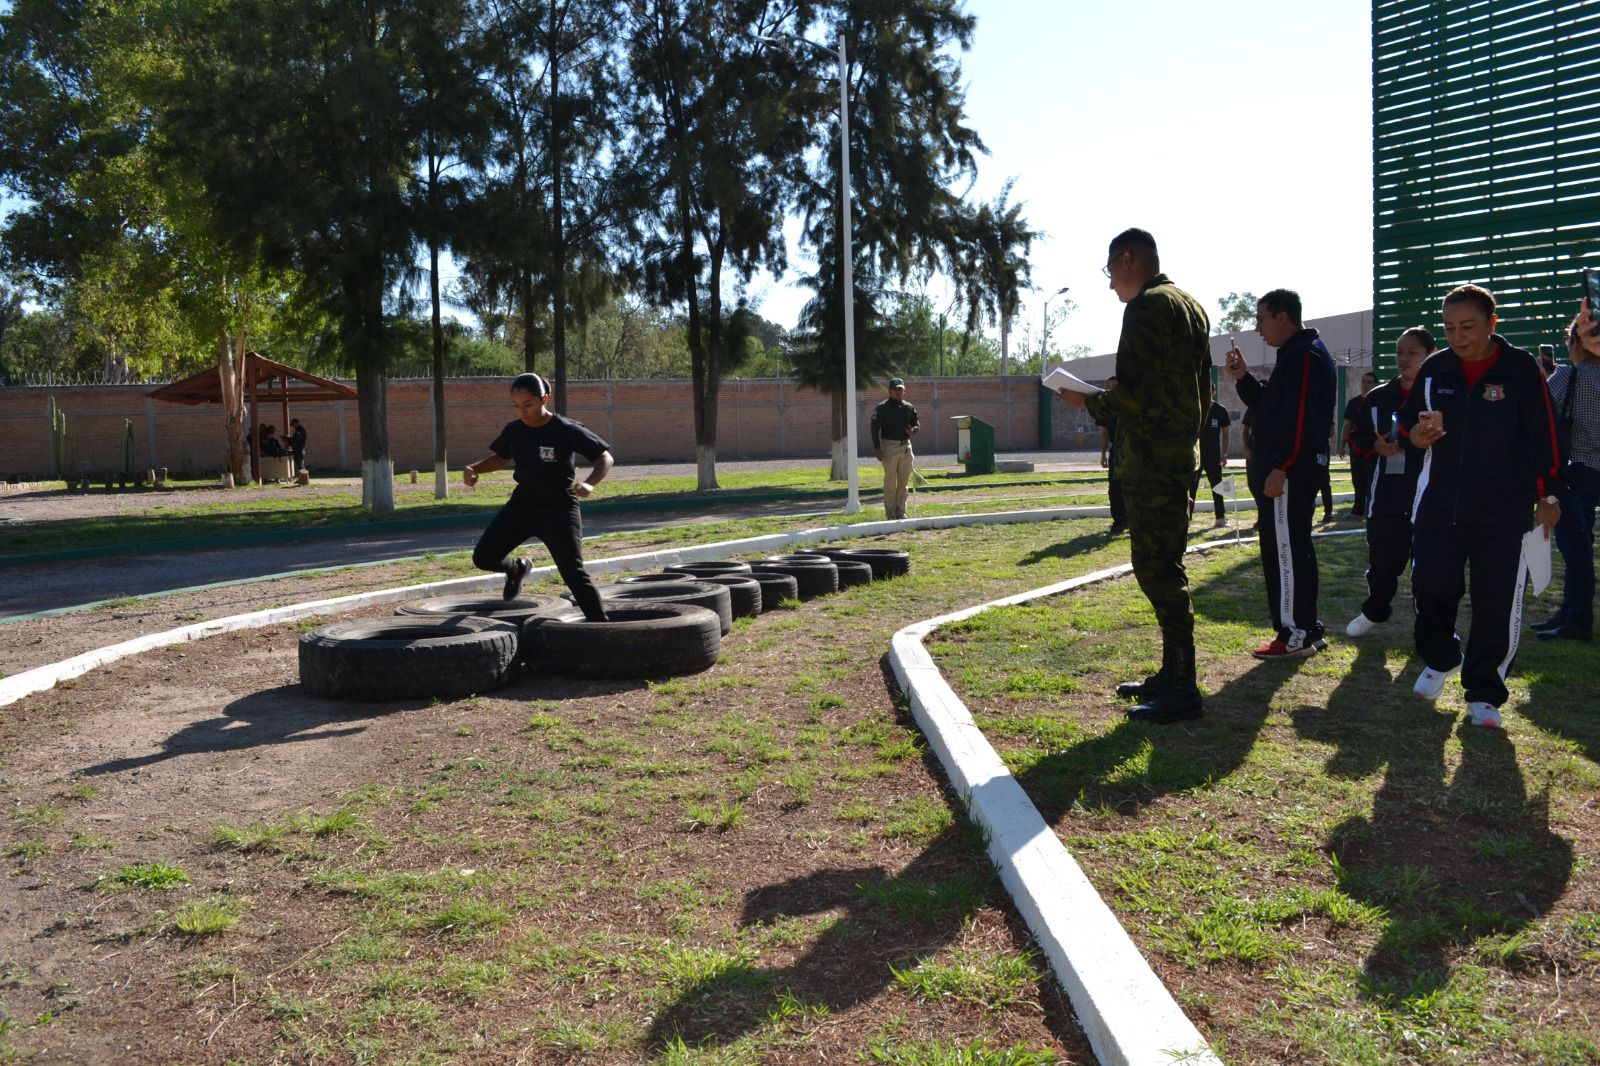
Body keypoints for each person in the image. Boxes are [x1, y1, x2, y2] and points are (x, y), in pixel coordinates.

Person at [1058, 228, 1210, 722]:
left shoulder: (1146, 307)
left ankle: (1182, 688)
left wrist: (1089, 402)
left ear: (1128, 260)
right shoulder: (1189, 304)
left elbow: (1137, 394)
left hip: (1151, 460)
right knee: (1162, 566)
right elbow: (1190, 390)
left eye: (1109, 273)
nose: (1110, 286)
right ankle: (1173, 675)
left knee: (1159, 571)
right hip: (1175, 456)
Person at [1398, 284, 1563, 729]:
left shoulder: (1520, 369)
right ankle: (1442, 657)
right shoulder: (1434, 368)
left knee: (1496, 603)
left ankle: (1485, 691)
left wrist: (1548, 494)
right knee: (1431, 587)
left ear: (1492, 324)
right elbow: (1406, 420)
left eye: (1468, 326)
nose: (1458, 336)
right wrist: (1413, 436)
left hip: (1503, 512)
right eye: (1450, 327)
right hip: (1439, 506)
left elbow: (1544, 436)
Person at [1224, 289, 1337, 659]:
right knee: (1292, 550)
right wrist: (1242, 378)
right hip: (1283, 472)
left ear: (1282, 317)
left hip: (1287, 475)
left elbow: (1301, 421)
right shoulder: (1294, 355)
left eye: (1261, 319)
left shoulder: (1305, 356)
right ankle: (1306, 627)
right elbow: (1270, 410)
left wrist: (1282, 467)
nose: (1258, 328)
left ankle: (1295, 633)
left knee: (1285, 553)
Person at [463, 372, 613, 619]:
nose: (523, 412)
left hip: (559, 507)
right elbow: (501, 457)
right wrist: (474, 468)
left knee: (573, 574)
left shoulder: (566, 429)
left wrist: (590, 484)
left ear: (545, 398)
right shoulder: (514, 430)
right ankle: (516, 569)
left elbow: (604, 458)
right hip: (523, 504)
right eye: (516, 406)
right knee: (484, 557)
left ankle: (603, 628)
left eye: (528, 405)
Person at [1346, 329, 1431, 637]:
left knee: (1430, 568)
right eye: (1399, 352)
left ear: (1429, 355)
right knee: (1383, 561)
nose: (1404, 359)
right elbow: (1358, 437)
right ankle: (1375, 610)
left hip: (1430, 495)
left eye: (1412, 353)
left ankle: (1428, 623)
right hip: (1386, 495)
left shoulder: (1438, 393)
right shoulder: (1377, 397)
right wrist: (1375, 446)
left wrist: (1409, 440)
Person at [1535, 307, 1600, 642]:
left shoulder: (1570, 376)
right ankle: (1569, 612)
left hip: (1572, 469)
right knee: (1582, 545)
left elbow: (1538, 411)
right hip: (1596, 470)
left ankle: (1577, 621)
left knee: (1575, 549)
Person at [871, 377, 920, 521]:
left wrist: (914, 430)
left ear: (904, 391)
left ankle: (901, 512)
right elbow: (874, 429)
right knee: (890, 483)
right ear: (890, 391)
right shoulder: (882, 408)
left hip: (906, 446)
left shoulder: (908, 407)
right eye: (896, 389)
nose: (898, 392)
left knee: (904, 484)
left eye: (901, 389)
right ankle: (890, 513)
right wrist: (877, 448)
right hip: (889, 446)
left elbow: (916, 424)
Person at [1191, 382, 1231, 526]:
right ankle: (1186, 519)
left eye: (1208, 391)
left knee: (1218, 487)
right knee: (1191, 488)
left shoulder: (1220, 410)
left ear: (1213, 392)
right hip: (1195, 456)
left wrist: (1225, 454)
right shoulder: (1195, 408)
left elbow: (1226, 433)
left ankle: (1220, 518)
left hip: (1214, 456)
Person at [1341, 371, 1378, 516]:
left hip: (1374, 448)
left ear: (1375, 385)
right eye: (1363, 381)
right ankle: (1358, 508)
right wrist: (1342, 445)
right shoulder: (1353, 403)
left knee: (1371, 478)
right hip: (1356, 448)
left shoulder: (1379, 401)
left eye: (1369, 382)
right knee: (1357, 478)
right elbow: (1346, 425)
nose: (1365, 385)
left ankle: (1372, 508)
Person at [1095, 376, 1126, 535]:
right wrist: (1103, 455)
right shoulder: (1106, 409)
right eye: (1108, 387)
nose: (1110, 390)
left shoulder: (1129, 405)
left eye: (1114, 386)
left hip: (1133, 452)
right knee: (1114, 487)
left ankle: (1133, 520)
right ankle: (1119, 521)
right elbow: (1103, 432)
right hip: (1116, 452)